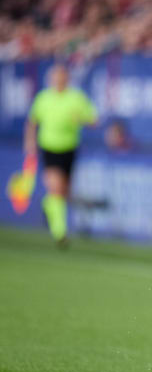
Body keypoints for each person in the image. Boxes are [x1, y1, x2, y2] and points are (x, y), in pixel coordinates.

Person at [23, 64, 97, 246]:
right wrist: (30, 142)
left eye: (61, 76)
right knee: (55, 186)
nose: (57, 80)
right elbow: (32, 122)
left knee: (63, 191)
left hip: (69, 148)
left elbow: (93, 119)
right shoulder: (43, 98)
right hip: (49, 147)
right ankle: (60, 231)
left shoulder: (76, 98)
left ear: (67, 79)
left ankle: (49, 205)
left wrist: (81, 119)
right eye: (54, 77)